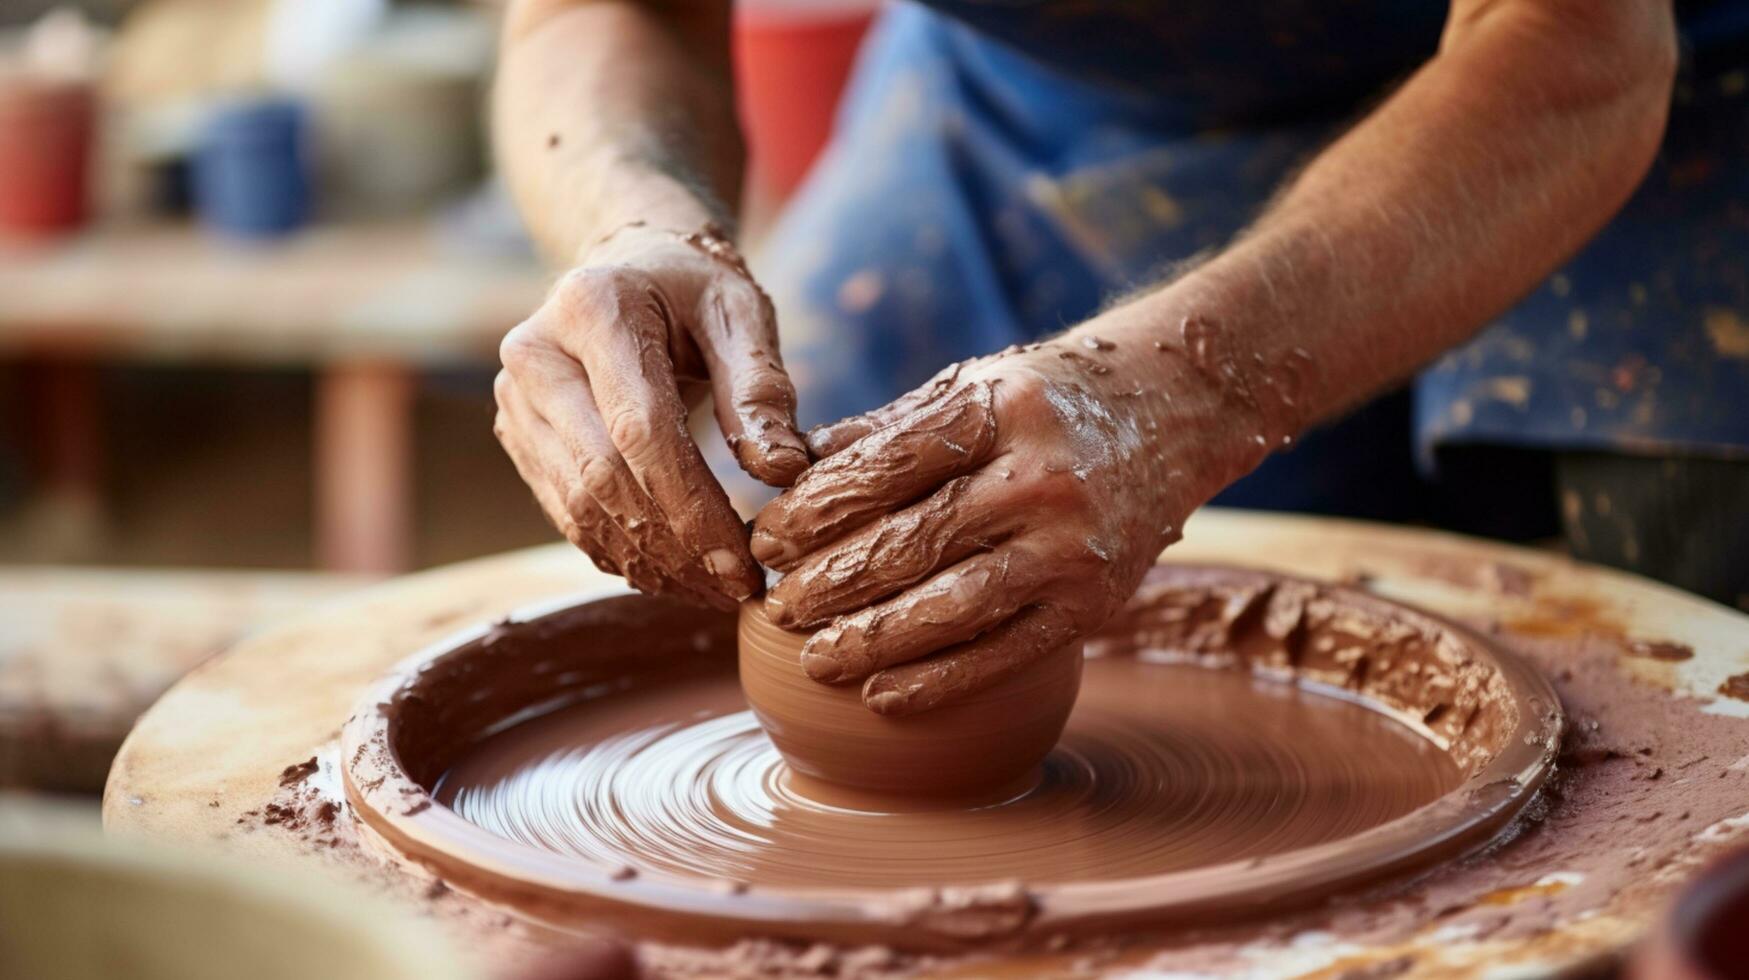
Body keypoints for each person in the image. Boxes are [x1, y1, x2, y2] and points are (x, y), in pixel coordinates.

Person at [492, 0, 1748, 716]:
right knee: (809, 505)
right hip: (1044, 98)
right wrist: (634, 220)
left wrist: (1189, 389)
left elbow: (1576, 46)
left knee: (1675, 638)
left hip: (1630, 79)